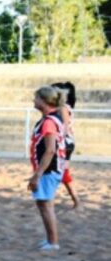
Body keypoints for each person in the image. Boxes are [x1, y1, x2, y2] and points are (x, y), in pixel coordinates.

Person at [28, 85, 68, 250]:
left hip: (49, 169)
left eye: (36, 98)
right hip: (51, 168)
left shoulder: (49, 122)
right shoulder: (52, 119)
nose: (34, 100)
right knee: (44, 204)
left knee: (45, 205)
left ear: (44, 101)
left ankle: (53, 242)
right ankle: (51, 240)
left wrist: (37, 175)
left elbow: (50, 149)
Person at [52, 81, 80, 209]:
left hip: (64, 143)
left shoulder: (62, 108)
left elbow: (64, 126)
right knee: (63, 172)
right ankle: (75, 200)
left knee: (60, 172)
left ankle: (75, 200)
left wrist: (57, 139)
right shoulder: (66, 107)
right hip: (68, 142)